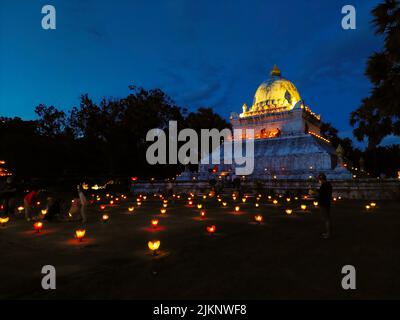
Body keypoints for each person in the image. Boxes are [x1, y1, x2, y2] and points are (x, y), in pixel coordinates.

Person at [318, 173, 333, 239]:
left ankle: (328, 233)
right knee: (327, 218)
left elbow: (321, 194)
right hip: (327, 203)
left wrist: (315, 193)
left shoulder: (323, 185)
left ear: (321, 179)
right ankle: (327, 232)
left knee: (326, 219)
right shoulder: (328, 184)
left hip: (323, 204)